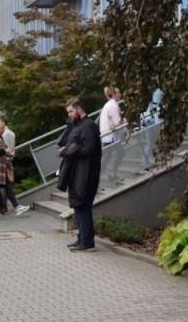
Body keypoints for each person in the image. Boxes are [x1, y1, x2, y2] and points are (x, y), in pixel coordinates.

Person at [57, 98, 102, 252]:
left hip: (87, 173)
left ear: (79, 109)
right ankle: (82, 238)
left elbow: (89, 149)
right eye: (68, 112)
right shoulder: (80, 125)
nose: (69, 115)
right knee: (78, 206)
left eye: (71, 111)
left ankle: (87, 241)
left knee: (83, 205)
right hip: (79, 172)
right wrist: (67, 149)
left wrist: (67, 151)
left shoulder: (88, 126)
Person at [0, 116, 29, 216]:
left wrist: (7, 154)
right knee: (4, 184)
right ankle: (6, 206)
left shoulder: (4, 134)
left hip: (4, 161)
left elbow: (5, 147)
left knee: (6, 184)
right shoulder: (9, 133)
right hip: (5, 160)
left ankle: (8, 206)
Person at [99, 86, 125, 181]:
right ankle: (111, 174)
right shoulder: (113, 106)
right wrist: (125, 121)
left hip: (106, 136)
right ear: (114, 94)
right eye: (118, 93)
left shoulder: (107, 105)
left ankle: (106, 175)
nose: (120, 94)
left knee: (107, 157)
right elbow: (117, 122)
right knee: (120, 153)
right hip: (111, 137)